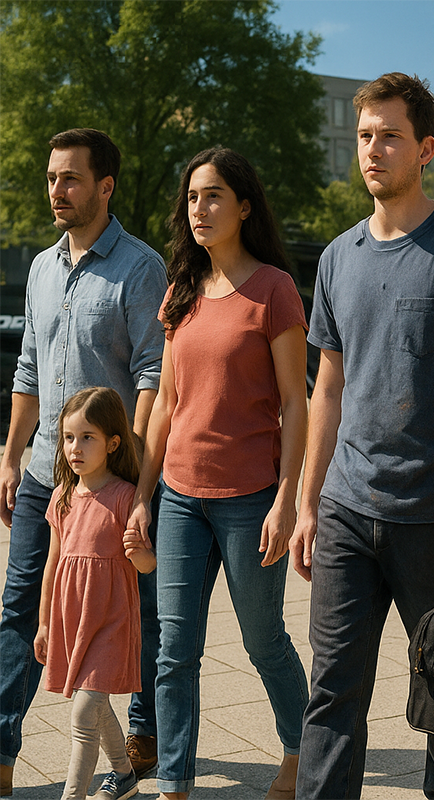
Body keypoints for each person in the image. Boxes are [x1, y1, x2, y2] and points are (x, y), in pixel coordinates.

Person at [289, 72, 434, 800]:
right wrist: (306, 503)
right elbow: (326, 388)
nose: (372, 149)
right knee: (332, 693)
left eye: (389, 136)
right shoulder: (335, 259)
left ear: (425, 149)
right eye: (364, 136)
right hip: (350, 513)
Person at [126, 147, 309, 799]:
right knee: (174, 649)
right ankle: (174, 779)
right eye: (193, 198)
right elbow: (168, 405)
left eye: (212, 196)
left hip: (250, 500)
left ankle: (300, 746)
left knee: (264, 641)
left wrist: (288, 497)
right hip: (178, 499)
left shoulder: (274, 289)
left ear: (244, 207)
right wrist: (143, 497)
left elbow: (296, 400)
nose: (198, 208)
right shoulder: (180, 292)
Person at [0, 129, 167, 796]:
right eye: (51, 178)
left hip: (113, 485)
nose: (56, 191)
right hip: (46, 476)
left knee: (137, 611)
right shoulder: (41, 268)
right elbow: (29, 370)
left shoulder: (140, 266)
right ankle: (4, 756)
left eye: (70, 179)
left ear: (105, 185)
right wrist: (11, 456)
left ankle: (144, 732)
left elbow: (156, 373)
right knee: (18, 610)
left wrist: (143, 477)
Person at [34, 388, 153, 800]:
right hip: (72, 619)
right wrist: (45, 623)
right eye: (69, 437)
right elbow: (53, 564)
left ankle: (72, 795)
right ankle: (122, 776)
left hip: (112, 620)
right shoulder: (61, 498)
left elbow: (148, 567)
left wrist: (142, 555)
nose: (75, 447)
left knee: (85, 711)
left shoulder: (124, 497)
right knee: (95, 706)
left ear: (112, 443)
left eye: (87, 437)